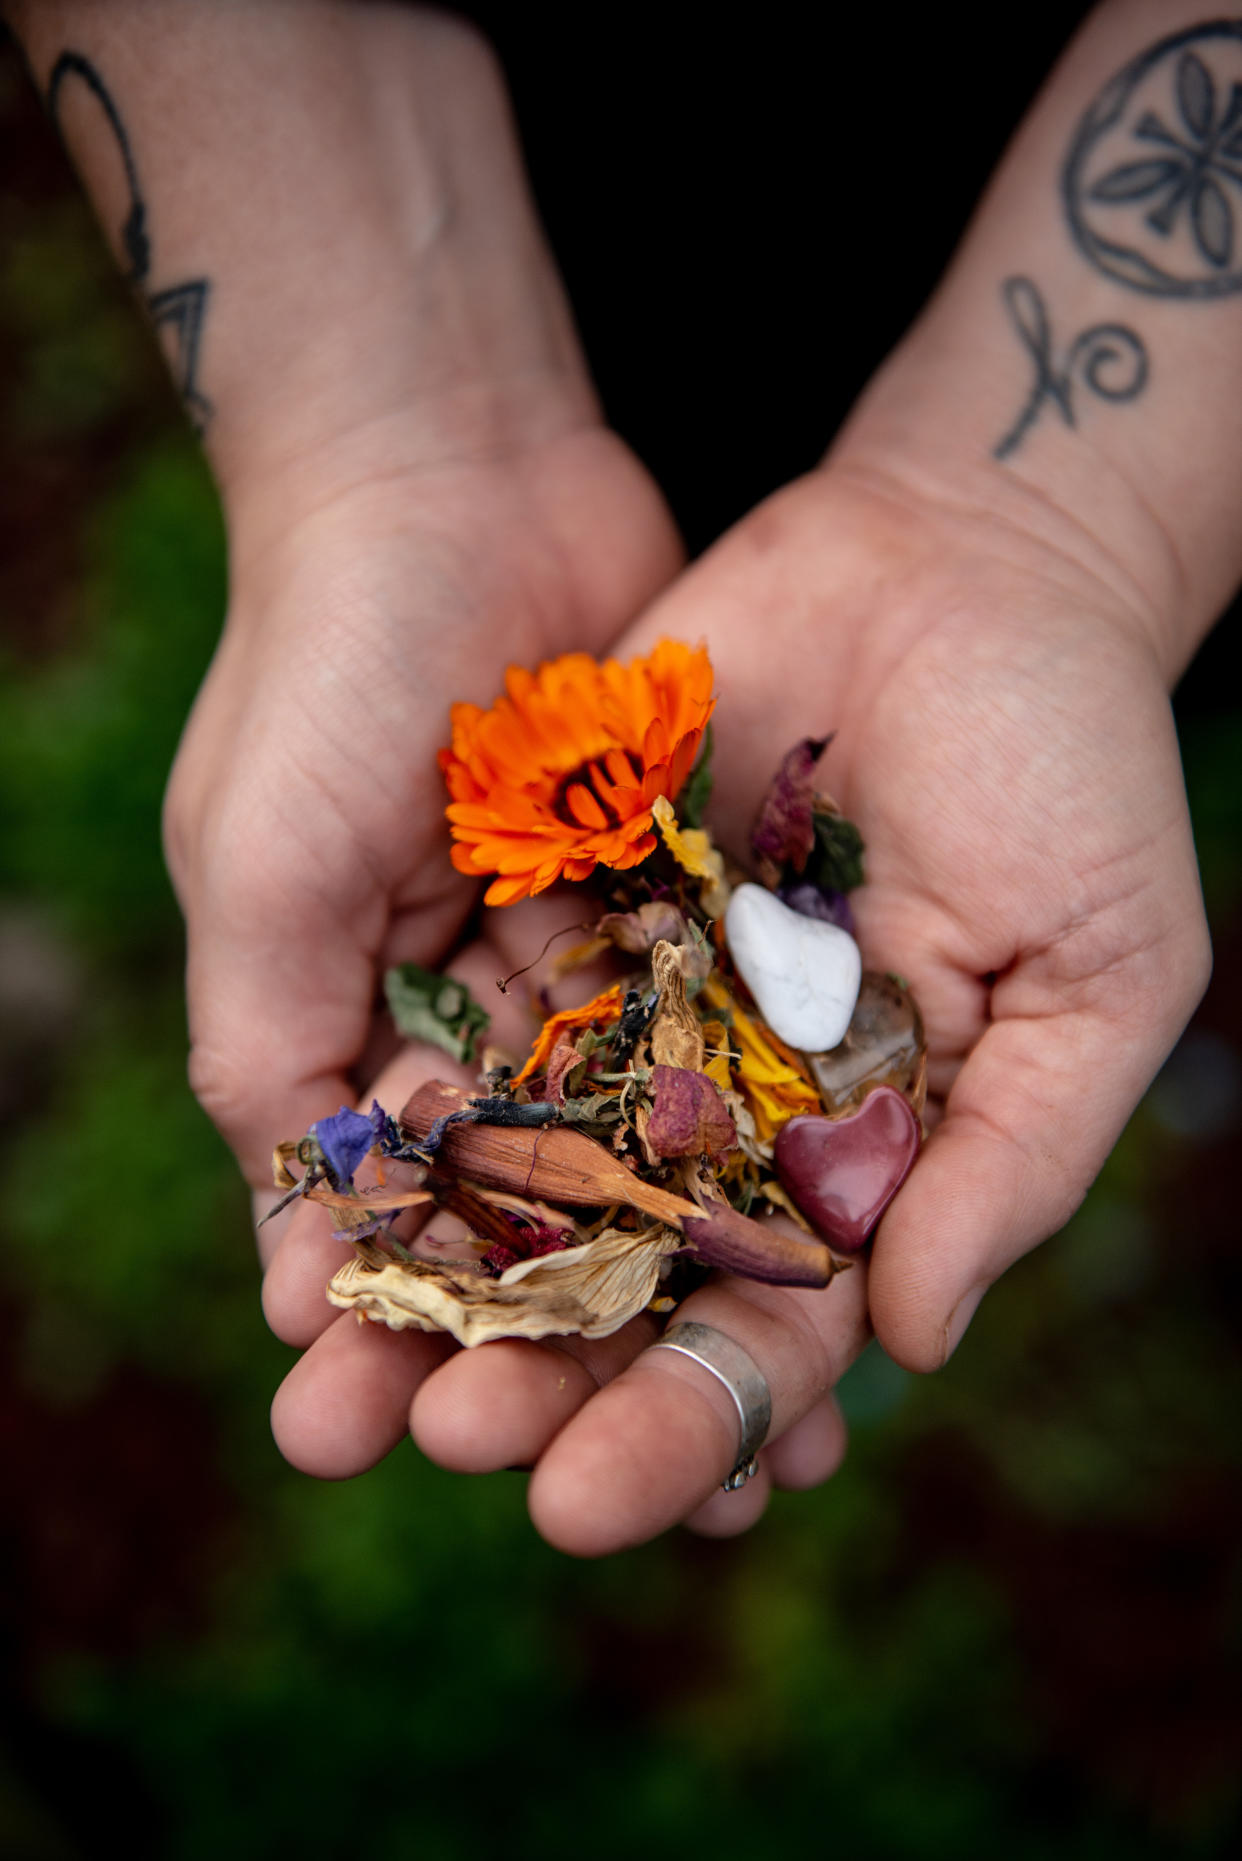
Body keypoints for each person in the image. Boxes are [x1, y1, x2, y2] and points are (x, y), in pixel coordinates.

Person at [7, 0, 1220, 1553]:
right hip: (499, 224)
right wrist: (376, 441)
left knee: (1142, 695)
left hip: (1158, 398)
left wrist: (1083, 522)